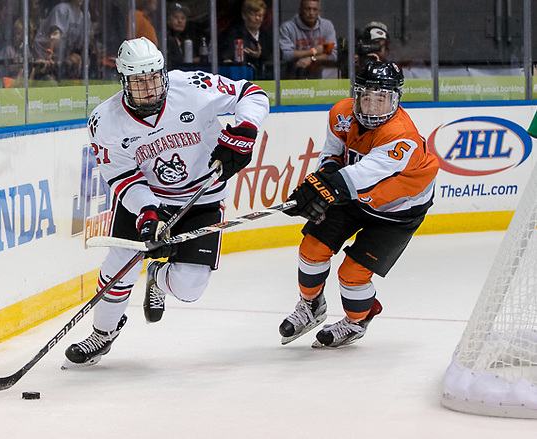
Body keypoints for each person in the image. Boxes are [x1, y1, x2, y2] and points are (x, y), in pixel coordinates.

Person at [62, 37, 269, 368]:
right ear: (124, 82)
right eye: (139, 81)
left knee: (190, 289)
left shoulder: (193, 87)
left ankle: (158, 277)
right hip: (149, 199)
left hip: (202, 197)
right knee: (120, 265)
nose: (149, 88)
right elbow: (122, 176)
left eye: (154, 78)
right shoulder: (105, 121)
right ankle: (103, 333)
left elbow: (252, 93)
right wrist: (147, 214)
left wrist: (244, 132)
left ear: (164, 73)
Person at [279, 62, 439, 348]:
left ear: (396, 99)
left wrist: (320, 190)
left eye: (382, 99)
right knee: (311, 249)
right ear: (356, 95)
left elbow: (362, 176)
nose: (372, 107)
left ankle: (356, 321)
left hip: (397, 212)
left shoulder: (401, 135)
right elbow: (333, 155)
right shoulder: (341, 113)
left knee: (352, 274)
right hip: (352, 196)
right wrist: (319, 183)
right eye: (366, 97)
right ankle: (311, 306)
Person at [279, 0, 337, 79]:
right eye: (308, 9)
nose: (311, 13)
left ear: (319, 12)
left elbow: (333, 55)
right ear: (300, 10)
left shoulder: (326, 26)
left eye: (314, 9)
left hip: (318, 79)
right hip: (291, 78)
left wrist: (311, 59)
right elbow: (286, 55)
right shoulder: (288, 27)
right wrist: (314, 51)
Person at [31, 0, 85, 81]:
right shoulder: (62, 10)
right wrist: (50, 55)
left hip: (60, 58)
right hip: (44, 55)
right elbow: (55, 36)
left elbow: (80, 42)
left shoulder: (83, 16)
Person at [217, 0, 273, 79]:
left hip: (264, 80)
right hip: (239, 78)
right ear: (244, 15)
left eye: (260, 15)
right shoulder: (232, 35)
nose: (257, 18)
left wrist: (260, 55)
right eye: (253, 15)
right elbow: (225, 55)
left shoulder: (267, 36)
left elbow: (277, 54)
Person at [165, 2, 195, 70]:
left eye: (183, 18)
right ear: (168, 20)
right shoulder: (165, 39)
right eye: (176, 17)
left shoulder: (184, 39)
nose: (180, 21)